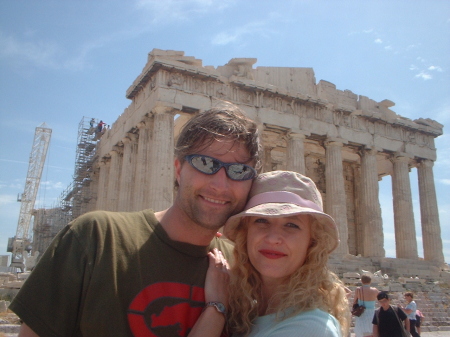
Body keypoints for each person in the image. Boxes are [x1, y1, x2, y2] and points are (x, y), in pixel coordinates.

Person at [9, 104, 261, 337]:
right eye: (205, 163)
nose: (220, 184)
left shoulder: (241, 265)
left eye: (239, 171)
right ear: (178, 169)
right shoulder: (96, 238)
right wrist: (216, 308)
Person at [195, 171, 350, 336]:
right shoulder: (251, 313)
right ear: (245, 235)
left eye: (291, 225)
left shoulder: (311, 329)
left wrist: (216, 308)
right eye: (261, 220)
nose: (273, 238)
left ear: (312, 242)